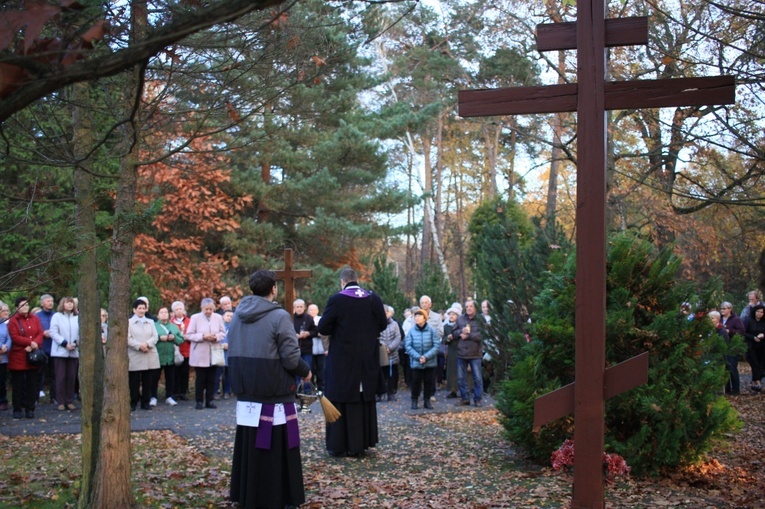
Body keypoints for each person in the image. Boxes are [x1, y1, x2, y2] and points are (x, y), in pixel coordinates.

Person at [228, 269, 311, 509]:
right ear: (273, 288)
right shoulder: (280, 316)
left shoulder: (237, 314)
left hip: (246, 386)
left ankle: (247, 494)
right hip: (273, 388)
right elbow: (290, 356)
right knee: (276, 444)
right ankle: (277, 495)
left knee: (250, 443)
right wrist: (305, 371)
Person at [317, 267, 387, 457]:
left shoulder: (337, 299)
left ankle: (340, 444)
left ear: (342, 282)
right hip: (367, 359)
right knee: (363, 400)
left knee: (342, 398)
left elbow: (323, 327)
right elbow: (382, 324)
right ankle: (362, 443)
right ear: (357, 280)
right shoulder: (373, 298)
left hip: (343, 361)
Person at [186, 297, 227, 410]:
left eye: (210, 309)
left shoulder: (218, 318)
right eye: (206, 309)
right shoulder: (195, 318)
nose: (208, 311)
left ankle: (210, 400)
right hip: (200, 352)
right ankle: (199, 401)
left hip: (214, 352)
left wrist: (215, 337)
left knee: (212, 379)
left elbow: (223, 333)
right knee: (200, 379)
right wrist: (202, 336)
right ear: (202, 308)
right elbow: (189, 335)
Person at [7, 297, 44, 419]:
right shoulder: (13, 320)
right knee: (18, 384)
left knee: (32, 384)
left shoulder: (35, 318)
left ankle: (30, 408)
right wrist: (29, 342)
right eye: (22, 305)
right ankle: (17, 408)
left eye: (27, 305)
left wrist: (35, 344)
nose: (25, 307)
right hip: (18, 356)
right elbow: (15, 336)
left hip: (33, 356)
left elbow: (40, 333)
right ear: (17, 307)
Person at [404, 309, 440, 410]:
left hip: (430, 361)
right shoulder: (411, 331)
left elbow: (436, 345)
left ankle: (427, 401)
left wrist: (426, 357)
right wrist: (418, 357)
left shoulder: (432, 330)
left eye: (419, 316)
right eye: (415, 316)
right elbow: (408, 346)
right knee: (415, 382)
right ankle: (414, 400)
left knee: (429, 382)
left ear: (424, 318)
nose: (417, 318)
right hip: (416, 362)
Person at [451, 300, 485, 407]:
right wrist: (461, 332)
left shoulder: (480, 319)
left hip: (475, 353)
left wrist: (469, 335)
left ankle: (477, 399)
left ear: (475, 308)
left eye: (471, 306)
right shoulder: (460, 319)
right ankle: (465, 398)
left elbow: (482, 335)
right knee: (461, 378)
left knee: (477, 378)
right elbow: (453, 333)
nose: (469, 308)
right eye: (467, 306)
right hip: (462, 353)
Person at [128, 298, 159, 411]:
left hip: (149, 353)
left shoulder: (150, 322)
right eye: (139, 308)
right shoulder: (129, 322)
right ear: (134, 310)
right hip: (135, 354)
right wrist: (140, 346)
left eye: (143, 308)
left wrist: (147, 344)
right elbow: (128, 338)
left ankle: (146, 402)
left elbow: (155, 336)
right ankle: (133, 402)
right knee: (134, 381)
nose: (141, 310)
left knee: (148, 380)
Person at [49, 297, 80, 411]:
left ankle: (69, 400)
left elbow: (81, 332)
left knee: (71, 377)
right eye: (67, 303)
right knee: (61, 377)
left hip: (73, 351)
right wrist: (65, 343)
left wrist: (76, 343)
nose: (70, 305)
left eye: (72, 303)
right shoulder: (57, 316)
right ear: (63, 304)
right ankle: (60, 401)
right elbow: (53, 332)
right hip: (60, 351)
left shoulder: (77, 317)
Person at [152, 307, 184, 406]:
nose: (164, 314)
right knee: (154, 378)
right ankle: (153, 396)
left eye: (166, 312)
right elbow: (149, 338)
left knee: (170, 378)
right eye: (161, 312)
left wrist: (174, 338)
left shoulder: (174, 327)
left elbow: (181, 340)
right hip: (157, 356)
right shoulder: (153, 326)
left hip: (170, 356)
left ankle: (169, 396)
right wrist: (159, 338)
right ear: (158, 315)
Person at [292, 299, 317, 393]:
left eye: (301, 307)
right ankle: (296, 391)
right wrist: (293, 335)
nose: (299, 309)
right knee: (295, 370)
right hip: (294, 349)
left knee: (307, 369)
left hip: (306, 349)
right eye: (297, 307)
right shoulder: (290, 318)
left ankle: (307, 391)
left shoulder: (309, 318)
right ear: (294, 308)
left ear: (304, 307)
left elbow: (315, 331)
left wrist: (308, 333)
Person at [721, 301, 745, 396]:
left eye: (724, 308)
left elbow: (742, 332)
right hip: (723, 346)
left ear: (730, 309)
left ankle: (735, 389)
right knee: (725, 368)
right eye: (721, 308)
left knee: (731, 367)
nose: (722, 310)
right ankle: (726, 388)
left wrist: (730, 331)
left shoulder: (736, 319)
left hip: (733, 346)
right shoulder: (719, 319)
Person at [35, 294, 56, 402]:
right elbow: (34, 330)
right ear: (42, 303)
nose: (50, 303)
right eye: (48, 301)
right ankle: (36, 395)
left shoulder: (56, 315)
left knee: (54, 373)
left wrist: (52, 333)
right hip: (41, 348)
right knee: (39, 373)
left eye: (51, 301)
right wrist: (43, 333)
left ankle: (54, 397)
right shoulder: (37, 316)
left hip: (54, 348)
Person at [379, 305, 402, 402]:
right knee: (380, 374)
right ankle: (379, 393)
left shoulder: (394, 324)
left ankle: (391, 393)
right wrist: (384, 348)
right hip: (380, 352)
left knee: (391, 375)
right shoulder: (377, 323)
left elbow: (398, 337)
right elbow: (377, 337)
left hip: (392, 354)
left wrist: (390, 348)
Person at [170, 300, 191, 401]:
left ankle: (183, 391)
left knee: (184, 372)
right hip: (175, 350)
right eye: (176, 309)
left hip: (187, 349)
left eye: (180, 309)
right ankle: (174, 391)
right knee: (175, 372)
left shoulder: (189, 321)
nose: (178, 311)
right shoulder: (171, 322)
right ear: (173, 311)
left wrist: (189, 337)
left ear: (184, 310)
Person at [307, 304, 328, 392]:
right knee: (310, 369)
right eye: (311, 310)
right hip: (309, 349)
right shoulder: (306, 319)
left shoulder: (321, 319)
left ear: (317, 310)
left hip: (321, 349)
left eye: (314, 310)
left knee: (321, 370)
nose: (312, 312)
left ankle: (321, 389)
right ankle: (310, 388)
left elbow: (324, 332)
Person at [743, 303, 765, 392]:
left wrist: (763, 335)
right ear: (754, 312)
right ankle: (757, 382)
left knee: (761, 365)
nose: (760, 313)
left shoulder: (764, 322)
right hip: (751, 345)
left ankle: (755, 380)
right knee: (754, 363)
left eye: (761, 312)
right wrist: (753, 337)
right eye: (758, 311)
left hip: (762, 346)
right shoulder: (748, 320)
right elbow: (743, 332)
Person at [214, 309, 233, 400]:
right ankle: (215, 391)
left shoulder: (235, 328)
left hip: (230, 353)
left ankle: (227, 391)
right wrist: (221, 345)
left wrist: (231, 346)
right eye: (228, 316)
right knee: (217, 373)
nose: (229, 318)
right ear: (223, 317)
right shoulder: (218, 327)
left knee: (228, 374)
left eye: (231, 316)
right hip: (219, 352)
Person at [442, 306, 461, 398]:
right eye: (450, 314)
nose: (451, 316)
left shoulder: (461, 325)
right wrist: (448, 338)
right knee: (451, 371)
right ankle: (453, 390)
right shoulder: (446, 326)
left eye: (454, 314)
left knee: (461, 370)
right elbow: (443, 341)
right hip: (451, 351)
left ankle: (463, 390)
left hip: (461, 350)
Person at [0, 301, 11, 411]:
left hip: (3, 356)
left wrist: (6, 347)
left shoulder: (3, 324)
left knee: (2, 380)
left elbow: (9, 337)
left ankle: (3, 401)